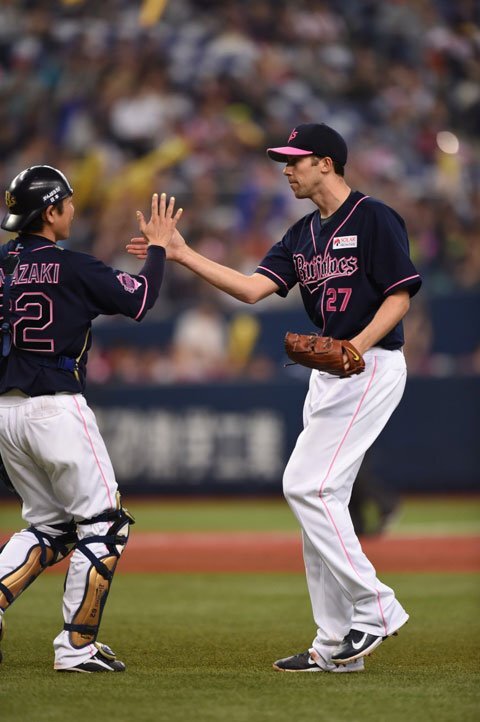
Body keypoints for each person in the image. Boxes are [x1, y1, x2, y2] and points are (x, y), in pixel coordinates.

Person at [128, 123, 422, 673]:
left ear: (326, 163)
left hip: (371, 365)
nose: (286, 169)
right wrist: (183, 254)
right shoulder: (301, 234)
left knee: (305, 485)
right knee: (320, 502)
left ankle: (377, 607)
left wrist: (356, 347)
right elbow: (250, 289)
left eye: (295, 159)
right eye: (284, 161)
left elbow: (400, 296)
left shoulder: (374, 217)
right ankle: (332, 645)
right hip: (327, 376)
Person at [0, 166, 182, 672]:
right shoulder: (71, 266)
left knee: (49, 526)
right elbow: (141, 300)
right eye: (68, 202)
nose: (73, 209)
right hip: (55, 406)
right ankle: (76, 647)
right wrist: (159, 248)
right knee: (104, 524)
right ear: (51, 211)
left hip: (5, 412)